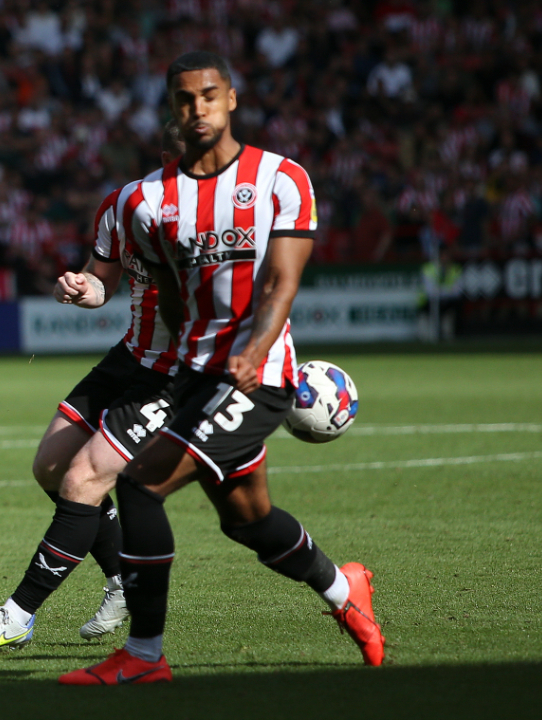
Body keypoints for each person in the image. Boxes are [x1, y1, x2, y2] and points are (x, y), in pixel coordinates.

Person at [58, 52, 384, 685]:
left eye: (209, 95)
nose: (197, 108)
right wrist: (183, 363)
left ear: (231, 99)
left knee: (141, 484)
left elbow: (282, 285)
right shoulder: (152, 202)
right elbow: (172, 296)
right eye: (185, 99)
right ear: (172, 108)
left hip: (259, 373)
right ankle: (346, 589)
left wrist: (255, 349)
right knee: (247, 520)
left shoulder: (282, 179)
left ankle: (145, 657)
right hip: (196, 376)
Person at [0, 122, 185, 648]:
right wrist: (83, 287)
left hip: (177, 372)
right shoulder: (126, 205)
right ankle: (124, 580)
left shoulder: (219, 218)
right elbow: (102, 278)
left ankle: (17, 615)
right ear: (166, 152)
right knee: (51, 467)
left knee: (83, 481)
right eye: (178, 150)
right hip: (131, 355)